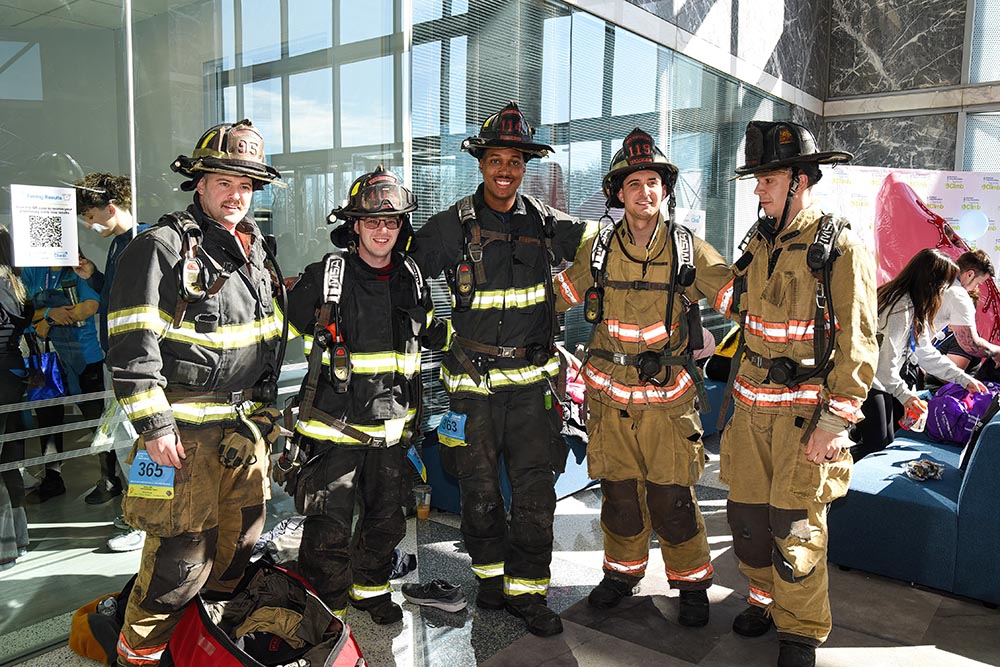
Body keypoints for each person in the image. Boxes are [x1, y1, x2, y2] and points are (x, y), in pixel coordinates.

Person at [106, 119, 286, 667]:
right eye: (225, 182)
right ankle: (138, 655)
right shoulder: (160, 248)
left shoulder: (255, 251)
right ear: (200, 184)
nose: (236, 195)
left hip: (243, 433)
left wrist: (267, 415)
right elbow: (132, 345)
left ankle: (198, 644)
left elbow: (266, 341)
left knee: (239, 543)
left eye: (246, 185)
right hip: (181, 439)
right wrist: (154, 427)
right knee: (178, 564)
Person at [410, 101, 589, 637]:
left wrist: (567, 293)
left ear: (525, 166)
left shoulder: (546, 222)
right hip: (472, 390)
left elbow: (604, 248)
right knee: (479, 491)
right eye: (496, 160)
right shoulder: (452, 225)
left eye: (515, 161)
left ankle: (528, 592)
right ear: (481, 164)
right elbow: (405, 274)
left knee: (535, 493)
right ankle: (490, 580)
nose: (505, 170)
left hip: (532, 391)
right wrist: (438, 334)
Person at [552, 129, 732, 626]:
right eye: (634, 183)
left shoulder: (688, 249)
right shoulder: (599, 249)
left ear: (665, 189)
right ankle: (621, 574)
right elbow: (557, 295)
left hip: (667, 406)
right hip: (609, 403)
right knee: (619, 496)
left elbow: (737, 297)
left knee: (672, 499)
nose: (645, 191)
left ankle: (691, 584)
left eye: (653, 181)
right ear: (619, 193)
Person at [720, 121, 879, 667]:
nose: (758, 188)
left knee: (796, 531)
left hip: (803, 419)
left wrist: (835, 424)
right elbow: (745, 311)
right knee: (747, 523)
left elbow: (859, 341)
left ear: (800, 181)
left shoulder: (840, 247)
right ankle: (763, 602)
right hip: (749, 414)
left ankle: (801, 631)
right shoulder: (758, 241)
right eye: (758, 179)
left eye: (768, 178)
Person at [282, 166, 448, 623]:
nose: (382, 230)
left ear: (401, 226)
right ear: (353, 226)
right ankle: (326, 610)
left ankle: (370, 591)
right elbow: (276, 329)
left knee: (386, 522)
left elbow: (429, 336)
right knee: (328, 531)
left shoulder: (412, 277)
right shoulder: (325, 278)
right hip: (332, 434)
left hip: (391, 435)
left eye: (391, 221)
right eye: (372, 221)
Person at [71, 174, 151, 517]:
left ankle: (145, 517)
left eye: (90, 217)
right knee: (123, 438)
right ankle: (140, 513)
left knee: (135, 439)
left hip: (132, 360)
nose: (89, 225)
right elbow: (114, 297)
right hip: (117, 357)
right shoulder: (120, 244)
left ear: (112, 208)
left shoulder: (142, 243)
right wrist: (94, 276)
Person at [856, 249, 987, 459]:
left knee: (884, 442)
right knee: (875, 445)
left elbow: (924, 351)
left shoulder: (914, 306)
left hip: (879, 379)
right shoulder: (900, 308)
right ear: (932, 281)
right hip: (868, 379)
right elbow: (885, 364)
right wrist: (905, 395)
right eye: (945, 285)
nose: (946, 291)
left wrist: (963, 379)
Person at [21, 255, 104, 502]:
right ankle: (53, 479)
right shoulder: (32, 270)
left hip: (83, 356)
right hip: (43, 358)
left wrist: (47, 319)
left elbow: (89, 306)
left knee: (96, 421)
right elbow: (22, 310)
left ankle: (110, 478)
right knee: (47, 421)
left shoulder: (78, 268)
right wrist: (50, 311)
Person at [0, 225, 31, 567]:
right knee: (9, 461)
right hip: (12, 374)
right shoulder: (15, 284)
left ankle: (4, 549)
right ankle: (17, 540)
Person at [931, 249, 1000, 371]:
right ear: (970, 274)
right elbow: (971, 344)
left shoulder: (934, 281)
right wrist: (996, 351)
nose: (975, 288)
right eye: (978, 283)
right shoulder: (959, 296)